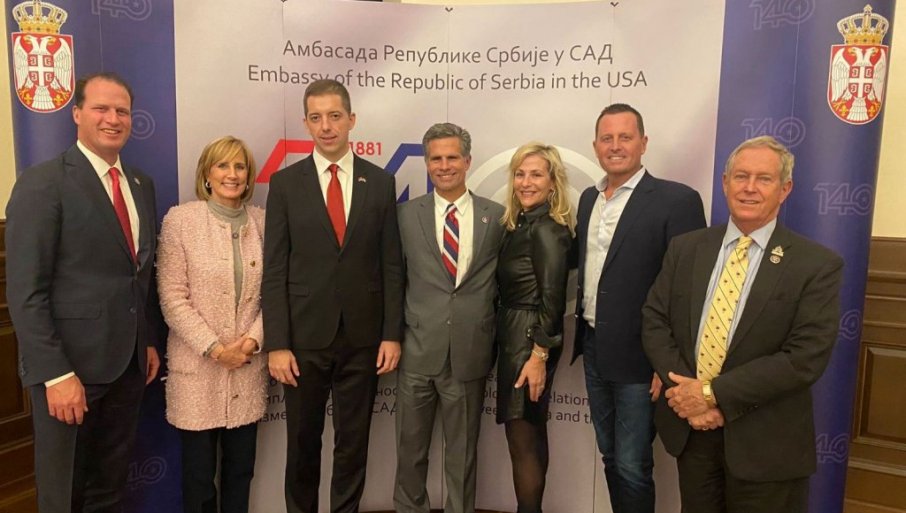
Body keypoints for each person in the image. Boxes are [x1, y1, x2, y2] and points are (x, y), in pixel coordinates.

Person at [642, 135, 843, 513]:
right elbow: (655, 320)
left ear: (785, 189)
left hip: (765, 444)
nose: (750, 187)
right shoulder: (686, 248)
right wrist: (688, 396)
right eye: (741, 176)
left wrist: (711, 394)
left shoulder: (816, 265)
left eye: (764, 179)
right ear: (725, 183)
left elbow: (804, 357)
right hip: (693, 433)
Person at [5, 72, 161, 512]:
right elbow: (26, 291)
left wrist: (146, 340)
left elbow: (136, 275)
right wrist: (55, 375)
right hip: (70, 371)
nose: (113, 119)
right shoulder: (43, 183)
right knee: (64, 494)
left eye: (122, 111)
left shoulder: (140, 184)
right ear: (77, 114)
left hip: (127, 366)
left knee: (108, 489)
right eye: (101, 108)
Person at [262, 78, 404, 513]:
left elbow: (391, 264)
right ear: (306, 123)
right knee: (302, 443)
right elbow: (275, 269)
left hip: (363, 339)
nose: (326, 126)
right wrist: (277, 343)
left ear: (351, 120)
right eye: (317, 117)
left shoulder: (380, 182)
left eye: (335, 116)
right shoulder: (285, 184)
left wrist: (391, 334)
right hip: (303, 339)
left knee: (353, 444)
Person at [573, 103, 706, 513]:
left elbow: (689, 289)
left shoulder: (677, 200)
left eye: (625, 137)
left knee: (632, 465)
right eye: (607, 138)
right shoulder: (588, 199)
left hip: (643, 356)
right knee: (611, 456)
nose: (615, 146)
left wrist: (667, 363)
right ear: (595, 146)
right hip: (594, 347)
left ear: (643, 143)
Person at [394, 123, 505, 513]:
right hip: (417, 351)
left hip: (469, 353)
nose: (444, 166)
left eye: (452, 157)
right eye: (436, 158)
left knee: (462, 455)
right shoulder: (405, 215)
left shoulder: (497, 216)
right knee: (410, 452)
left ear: (468, 161)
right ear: (427, 163)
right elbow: (394, 281)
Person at [157, 136, 267, 513]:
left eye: (240, 166)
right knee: (199, 478)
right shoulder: (181, 221)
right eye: (222, 165)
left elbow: (277, 293)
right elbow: (172, 298)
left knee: (241, 472)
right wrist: (217, 349)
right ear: (207, 173)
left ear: (249, 176)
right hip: (198, 371)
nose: (231, 174)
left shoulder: (263, 222)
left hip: (247, 370)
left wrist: (251, 342)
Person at [496, 142, 573, 513]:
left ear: (553, 182)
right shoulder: (523, 224)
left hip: (528, 342)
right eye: (520, 174)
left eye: (536, 175)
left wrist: (538, 355)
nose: (526, 183)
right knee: (529, 436)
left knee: (524, 442)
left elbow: (553, 299)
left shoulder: (548, 230)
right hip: (518, 336)